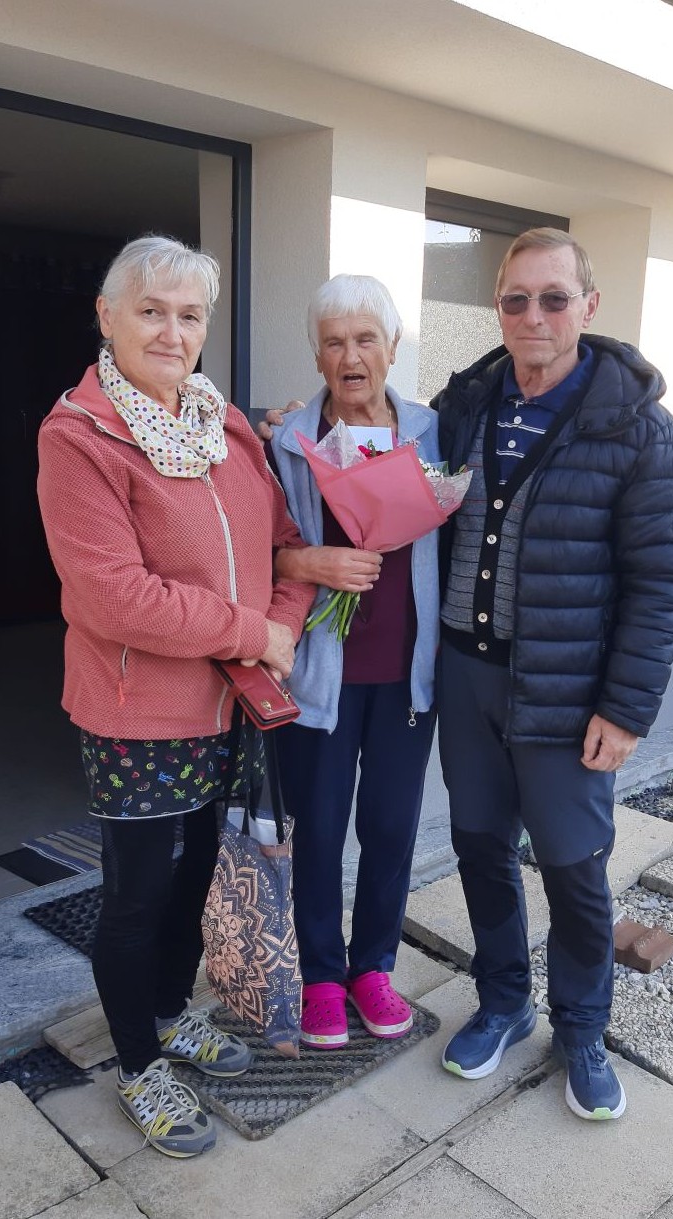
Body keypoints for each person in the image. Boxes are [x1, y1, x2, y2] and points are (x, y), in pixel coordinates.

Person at [37, 234, 314, 1158]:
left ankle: (168, 1010)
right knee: (136, 896)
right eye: (150, 310)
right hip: (139, 713)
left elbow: (283, 547)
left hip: (231, 703)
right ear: (106, 316)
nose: (171, 331)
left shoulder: (223, 424)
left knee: (198, 874)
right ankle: (136, 1063)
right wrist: (253, 634)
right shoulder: (78, 435)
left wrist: (280, 628)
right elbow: (113, 596)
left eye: (189, 314)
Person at [433, 227, 673, 1120]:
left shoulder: (637, 427)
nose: (533, 315)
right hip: (466, 675)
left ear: (588, 305)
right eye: (516, 299)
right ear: (497, 307)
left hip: (568, 693)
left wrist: (625, 709)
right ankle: (502, 1000)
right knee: (478, 850)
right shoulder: (463, 406)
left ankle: (580, 1026)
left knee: (573, 868)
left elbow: (661, 582)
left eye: (553, 298)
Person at [268, 275, 439, 1049]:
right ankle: (319, 975)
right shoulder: (286, 441)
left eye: (365, 338)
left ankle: (372, 965)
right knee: (319, 828)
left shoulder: (432, 434)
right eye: (333, 342)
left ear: (391, 347)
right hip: (320, 673)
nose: (350, 356)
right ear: (316, 355)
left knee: (391, 827)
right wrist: (308, 561)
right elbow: (256, 545)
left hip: (407, 674)